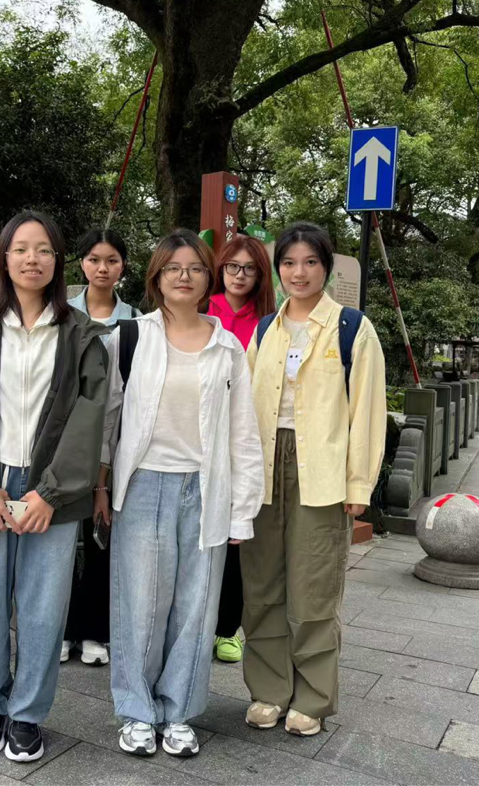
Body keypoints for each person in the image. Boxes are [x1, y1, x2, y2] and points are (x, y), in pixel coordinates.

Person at [0, 210, 110, 764]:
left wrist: (51, 493)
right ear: (4, 258)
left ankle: (27, 714)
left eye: (44, 249)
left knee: (42, 609)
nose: (33, 259)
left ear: (58, 261)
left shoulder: (81, 335)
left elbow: (89, 420)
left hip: (52, 488)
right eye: (22, 249)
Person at [101, 229, 263, 758]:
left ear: (207, 277)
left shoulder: (227, 346)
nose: (184, 277)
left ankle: (178, 713)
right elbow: (107, 420)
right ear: (157, 276)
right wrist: (101, 485)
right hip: (143, 484)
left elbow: (243, 432)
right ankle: (136, 710)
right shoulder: (131, 337)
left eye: (194, 268)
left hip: (206, 487)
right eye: (173, 268)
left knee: (196, 608)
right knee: (141, 603)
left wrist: (242, 511)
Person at [242, 222, 386, 737]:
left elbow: (367, 411)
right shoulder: (265, 330)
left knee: (314, 590)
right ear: (277, 269)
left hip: (321, 472)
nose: (298, 273)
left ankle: (313, 697)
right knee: (262, 587)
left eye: (309, 262)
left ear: (326, 267)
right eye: (288, 263)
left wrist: (358, 485)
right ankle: (269, 691)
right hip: (264, 470)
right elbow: (243, 411)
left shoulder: (352, 328)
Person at [62, 228, 140, 668]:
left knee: (100, 539)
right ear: (82, 263)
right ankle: (62, 630)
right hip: (64, 440)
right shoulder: (62, 314)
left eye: (112, 260)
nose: (102, 268)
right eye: (94, 259)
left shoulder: (136, 322)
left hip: (112, 439)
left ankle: (95, 631)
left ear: (122, 266)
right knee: (58, 541)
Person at [206, 235, 275, 664]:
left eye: (250, 268)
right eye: (233, 266)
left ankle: (227, 627)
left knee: (236, 537)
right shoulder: (201, 309)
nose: (240, 275)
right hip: (200, 437)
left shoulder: (268, 321)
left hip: (246, 436)